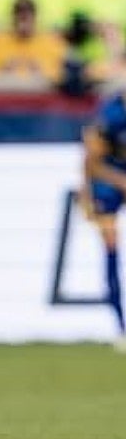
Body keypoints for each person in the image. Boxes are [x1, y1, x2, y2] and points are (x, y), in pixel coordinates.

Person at [80, 91, 126, 349]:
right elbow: (92, 161)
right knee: (111, 245)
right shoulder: (111, 114)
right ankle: (120, 325)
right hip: (109, 181)